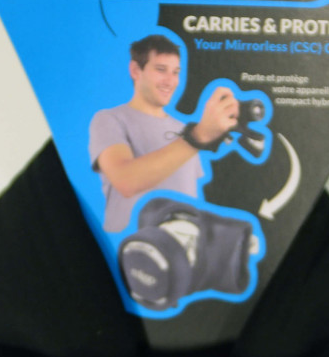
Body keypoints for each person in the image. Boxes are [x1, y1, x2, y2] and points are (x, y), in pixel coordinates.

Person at [89, 35, 238, 232]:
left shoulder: (183, 129)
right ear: (135, 70)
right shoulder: (109, 119)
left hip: (181, 245)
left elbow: (188, 197)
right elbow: (125, 180)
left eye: (175, 72)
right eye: (161, 70)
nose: (170, 81)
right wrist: (198, 137)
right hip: (128, 244)